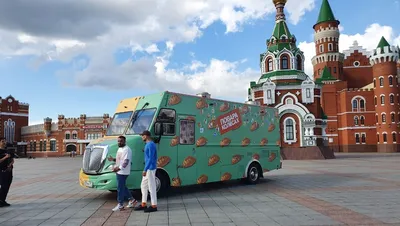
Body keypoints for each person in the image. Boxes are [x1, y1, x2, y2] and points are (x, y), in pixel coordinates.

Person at [108, 135, 137, 211]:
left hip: (123, 171)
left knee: (120, 188)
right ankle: (132, 200)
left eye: (121, 141)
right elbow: (120, 159)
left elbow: (126, 161)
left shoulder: (126, 149)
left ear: (125, 141)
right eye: (118, 141)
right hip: (119, 171)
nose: (119, 142)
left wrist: (118, 168)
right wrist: (113, 159)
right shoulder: (120, 149)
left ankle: (120, 205)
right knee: (123, 187)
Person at [134, 130, 158, 212]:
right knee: (143, 186)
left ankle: (154, 205)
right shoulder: (148, 144)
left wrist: (145, 169)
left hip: (150, 168)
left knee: (152, 187)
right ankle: (143, 203)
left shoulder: (150, 145)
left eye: (142, 135)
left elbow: (150, 158)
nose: (142, 137)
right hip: (149, 168)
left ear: (146, 136)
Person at [0, 137, 13, 207]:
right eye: (2, 141)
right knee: (4, 186)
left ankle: (3, 200)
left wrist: (11, 163)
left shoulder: (7, 150)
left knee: (7, 186)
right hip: (2, 171)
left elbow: (12, 160)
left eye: (5, 141)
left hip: (9, 171)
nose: (4, 142)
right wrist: (5, 157)